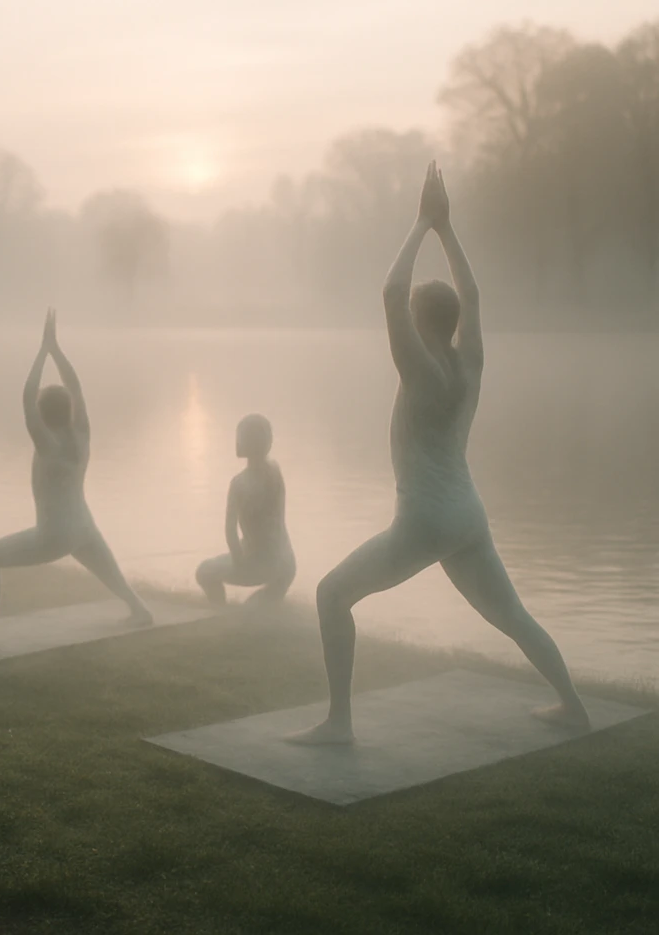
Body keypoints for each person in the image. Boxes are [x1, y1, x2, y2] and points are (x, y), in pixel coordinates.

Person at [288, 162, 589, 745]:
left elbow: (390, 292)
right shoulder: (468, 363)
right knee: (514, 617)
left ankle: (338, 725)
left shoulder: (422, 371)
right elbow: (472, 294)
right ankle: (572, 705)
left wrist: (423, 221)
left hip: (425, 521)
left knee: (330, 596)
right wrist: (449, 231)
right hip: (467, 518)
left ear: (421, 323)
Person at [0, 309, 153, 654]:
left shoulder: (47, 443)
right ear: (68, 410)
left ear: (42, 414)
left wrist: (43, 350)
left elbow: (26, 397)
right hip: (83, 524)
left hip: (53, 534)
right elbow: (76, 387)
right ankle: (140, 610)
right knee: (107, 571)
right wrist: (56, 348)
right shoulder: (81, 435)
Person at [195, 413, 296, 608]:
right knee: (257, 606)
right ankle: (267, 603)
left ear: (251, 442)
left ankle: (220, 614)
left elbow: (230, 532)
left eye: (240, 437)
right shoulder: (275, 470)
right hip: (286, 564)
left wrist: (239, 564)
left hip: (262, 564)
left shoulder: (240, 483)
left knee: (204, 572)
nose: (236, 441)